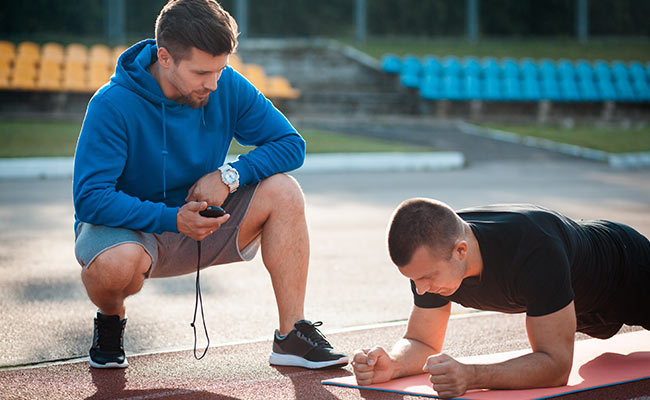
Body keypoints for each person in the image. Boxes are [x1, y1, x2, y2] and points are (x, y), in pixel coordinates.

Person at [73, 0, 347, 370]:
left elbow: (291, 144)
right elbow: (90, 200)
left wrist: (228, 175)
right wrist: (172, 220)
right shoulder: (112, 104)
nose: (214, 83)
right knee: (115, 267)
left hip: (204, 224)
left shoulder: (224, 85)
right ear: (165, 58)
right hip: (131, 231)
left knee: (284, 190)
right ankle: (110, 318)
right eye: (202, 72)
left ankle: (291, 335)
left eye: (221, 69)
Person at [352, 198, 649, 398]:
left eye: (426, 277)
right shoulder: (431, 260)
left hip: (626, 269)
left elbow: (556, 366)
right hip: (579, 302)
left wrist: (472, 376)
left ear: (461, 251)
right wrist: (393, 364)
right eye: (413, 279)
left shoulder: (534, 249)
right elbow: (422, 342)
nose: (421, 289)